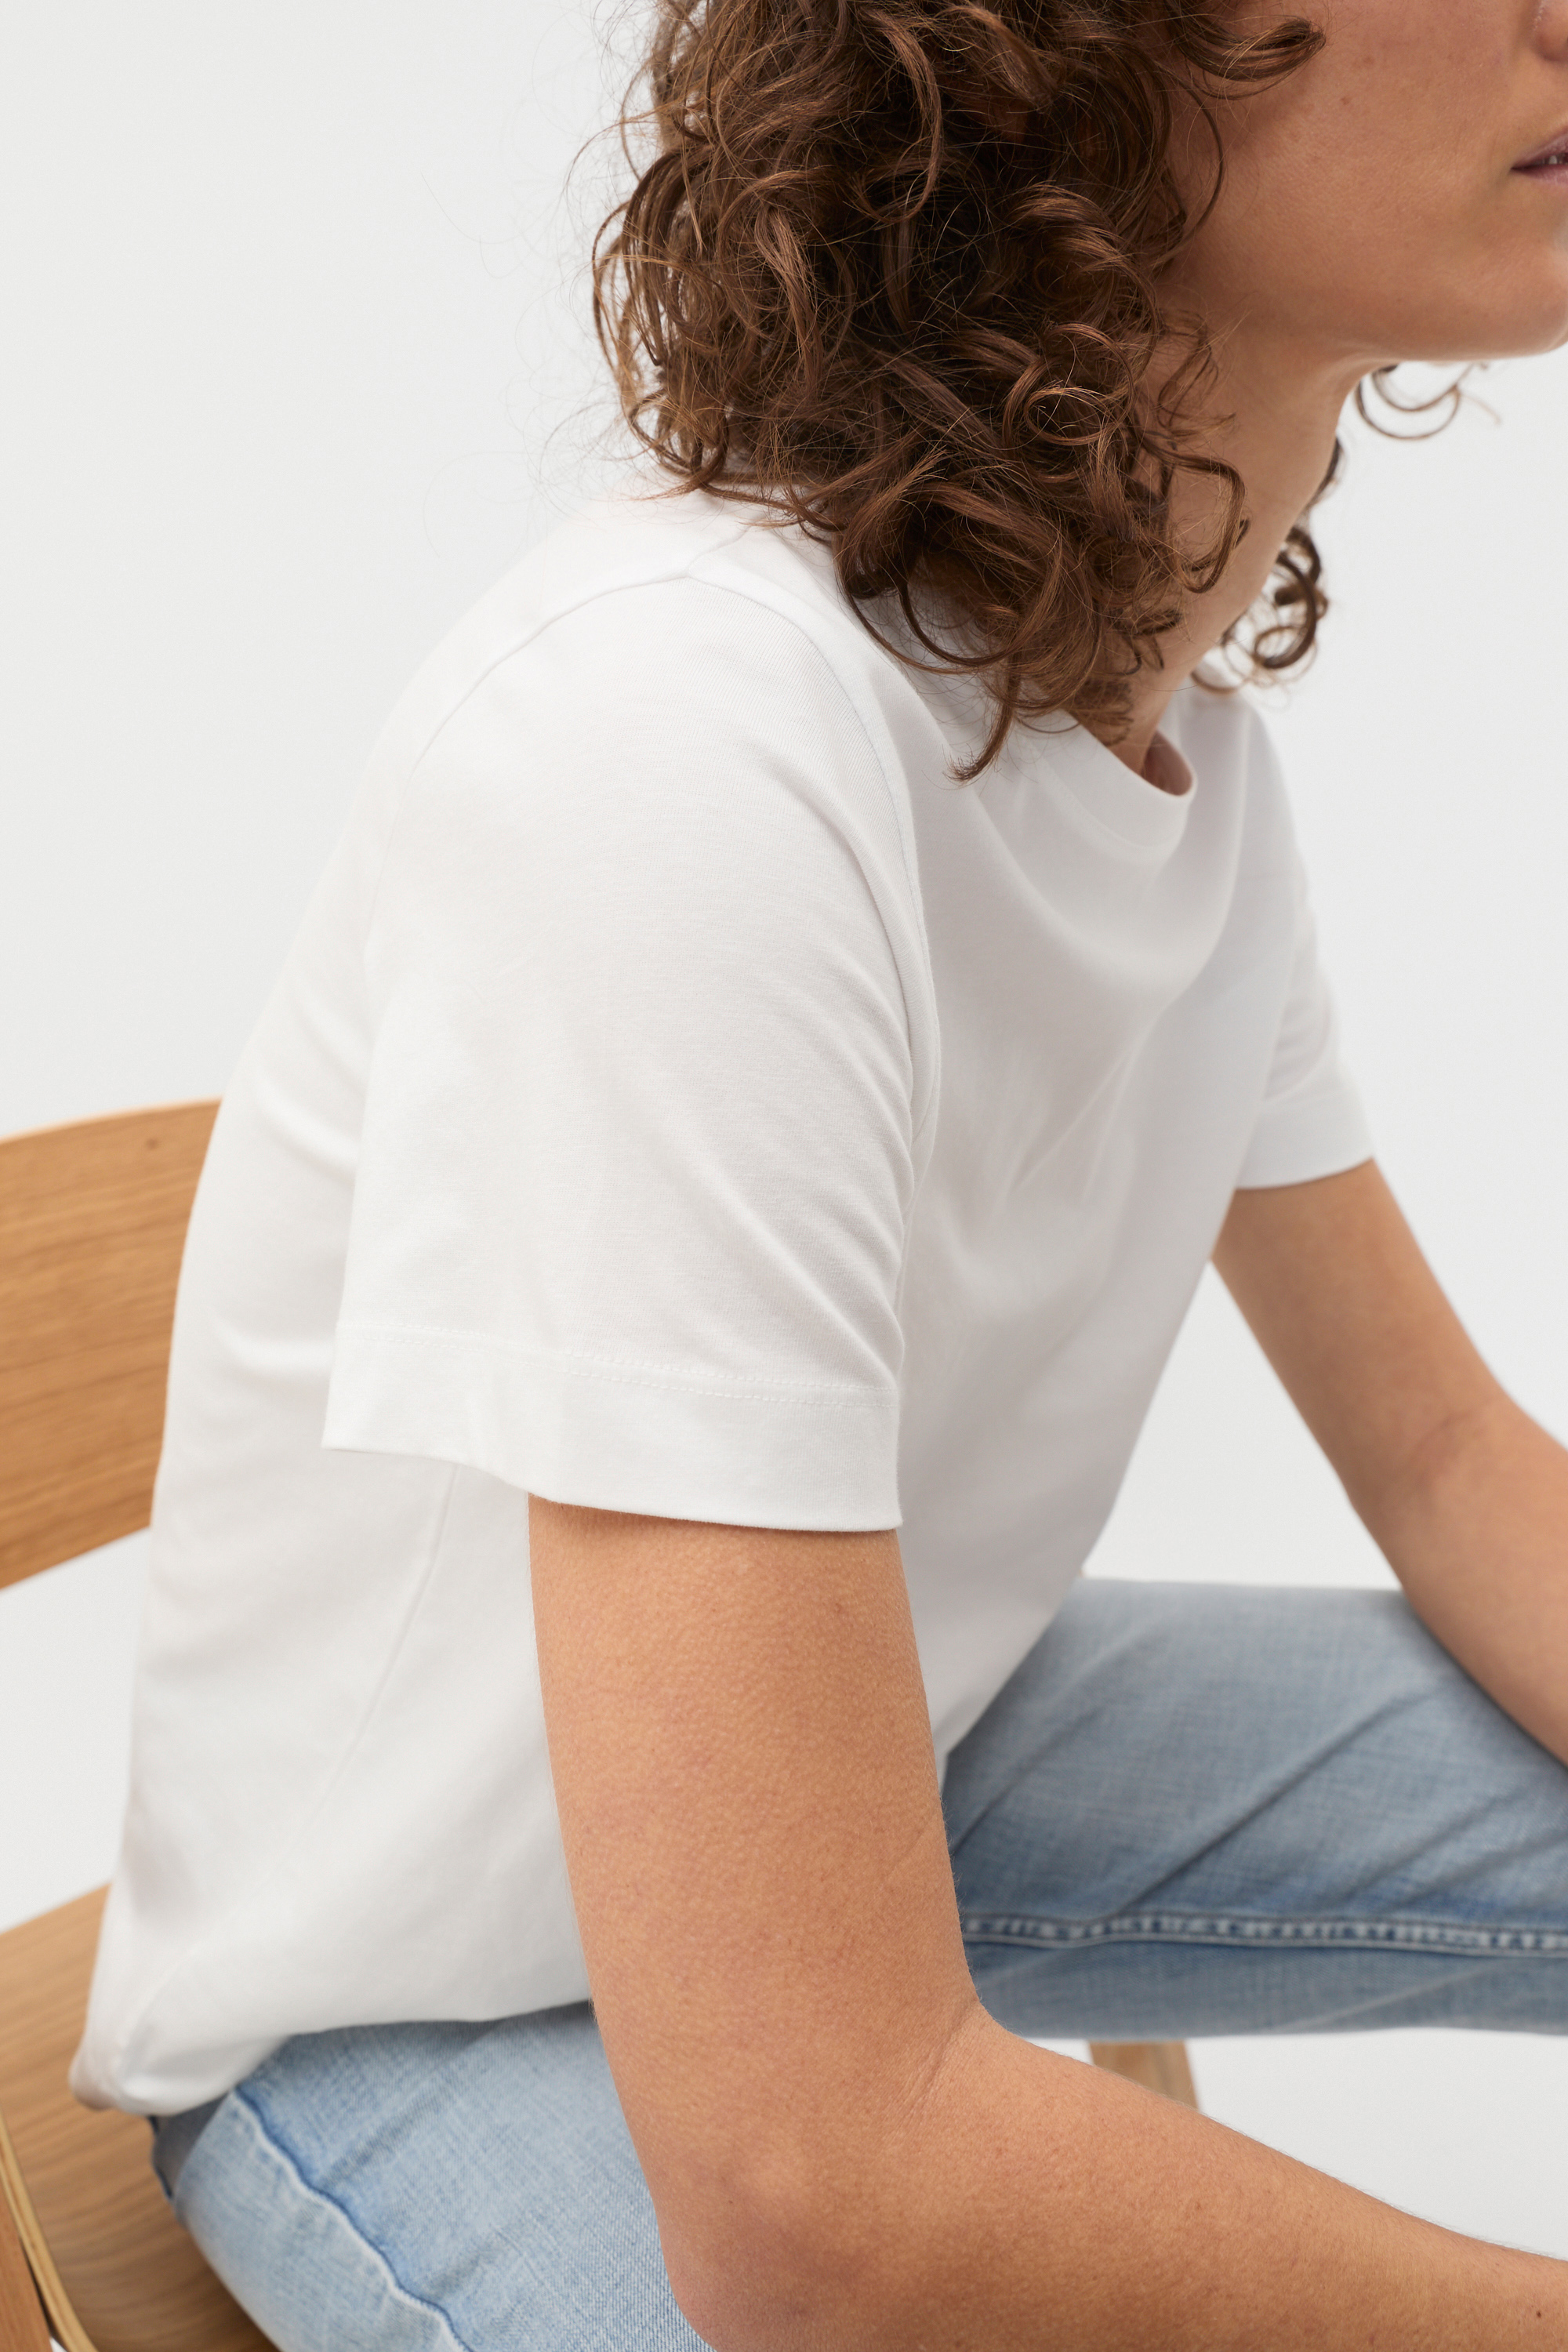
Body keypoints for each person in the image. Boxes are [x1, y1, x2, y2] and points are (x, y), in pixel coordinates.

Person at [70, 0, 1568, 2339]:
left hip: (890, 1744)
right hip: (410, 1995)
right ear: (1064, 62)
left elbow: (1449, 1456)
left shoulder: (1172, 765)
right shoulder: (685, 755)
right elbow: (815, 2192)